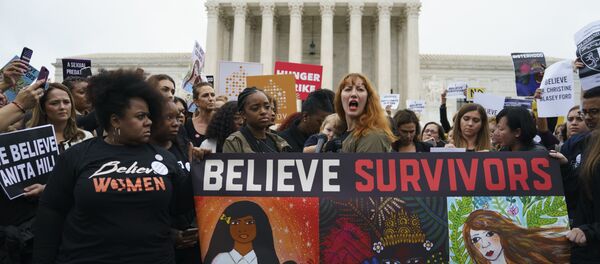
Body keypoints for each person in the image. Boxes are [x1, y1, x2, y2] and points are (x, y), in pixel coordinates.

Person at [33, 69, 192, 263]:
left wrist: (200, 169)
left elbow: (179, 206)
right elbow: (51, 212)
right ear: (115, 120)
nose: (149, 122)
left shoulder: (164, 158)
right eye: (140, 116)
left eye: (149, 115)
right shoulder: (77, 156)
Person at [463, 209, 569, 263]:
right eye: (476, 239)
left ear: (501, 232)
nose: (485, 244)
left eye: (489, 234)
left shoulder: (525, 257)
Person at [334, 73, 395, 153]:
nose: (353, 94)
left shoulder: (372, 136)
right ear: (340, 98)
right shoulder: (345, 134)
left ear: (368, 99)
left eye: (360, 89)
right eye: (348, 89)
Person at [204, 201, 280, 264]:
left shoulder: (267, 259)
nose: (242, 229)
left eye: (249, 222)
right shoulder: (219, 260)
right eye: (235, 223)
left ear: (259, 225)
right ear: (227, 227)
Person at [27, 83, 93, 152]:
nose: (62, 107)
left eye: (66, 102)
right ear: (43, 108)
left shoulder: (85, 137)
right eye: (54, 103)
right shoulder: (28, 140)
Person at [223, 88, 290, 153]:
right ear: (243, 114)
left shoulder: (279, 141)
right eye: (255, 108)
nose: (263, 112)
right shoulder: (234, 142)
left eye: (267, 107)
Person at [567, 128, 600, 262]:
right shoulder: (586, 142)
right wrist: (565, 168)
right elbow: (579, 195)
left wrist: (590, 232)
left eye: (594, 111)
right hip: (584, 249)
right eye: (584, 112)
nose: (588, 117)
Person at [185, 82, 215, 147]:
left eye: (212, 95)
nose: (211, 99)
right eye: (205, 95)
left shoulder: (222, 122)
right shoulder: (188, 124)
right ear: (196, 101)